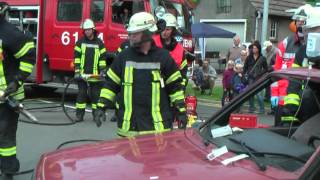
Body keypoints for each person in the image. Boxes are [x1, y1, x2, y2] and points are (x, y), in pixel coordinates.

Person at [93, 12, 187, 136]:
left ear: (148, 33)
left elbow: (175, 88)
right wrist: (101, 106)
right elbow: (110, 85)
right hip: (128, 130)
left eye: (135, 33)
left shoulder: (163, 57)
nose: (130, 36)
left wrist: (181, 111)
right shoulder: (123, 57)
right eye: (130, 33)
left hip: (157, 131)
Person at [0, 2, 35, 179]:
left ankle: (8, 171)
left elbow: (29, 57)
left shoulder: (9, 34)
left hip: (7, 97)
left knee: (5, 137)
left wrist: (17, 81)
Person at [270, 4, 311, 125]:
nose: (300, 23)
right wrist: (275, 95)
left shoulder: (313, 47)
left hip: (305, 102)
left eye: (304, 21)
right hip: (283, 102)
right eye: (298, 20)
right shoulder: (286, 43)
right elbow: (277, 72)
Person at [282, 8, 320, 126]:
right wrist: (289, 113)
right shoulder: (302, 51)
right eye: (306, 30)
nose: (308, 33)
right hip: (307, 110)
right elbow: (294, 82)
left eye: (313, 29)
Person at [74, 19, 107, 122]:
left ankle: (95, 115)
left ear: (93, 30)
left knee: (95, 96)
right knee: (81, 95)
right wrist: (77, 71)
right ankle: (79, 116)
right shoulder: (79, 42)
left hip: (95, 74)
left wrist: (102, 70)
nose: (87, 32)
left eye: (89, 30)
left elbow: (102, 58)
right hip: (82, 74)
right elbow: (77, 58)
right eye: (85, 30)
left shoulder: (99, 43)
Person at [153, 13, 188, 89]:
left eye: (167, 29)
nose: (164, 32)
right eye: (162, 28)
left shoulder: (180, 49)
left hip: (172, 87)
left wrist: (181, 87)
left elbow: (183, 73)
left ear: (173, 30)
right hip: (154, 86)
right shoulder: (152, 43)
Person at [243, 41, 268, 114]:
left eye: (255, 48)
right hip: (250, 78)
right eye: (253, 48)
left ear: (258, 49)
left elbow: (266, 68)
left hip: (258, 78)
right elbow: (245, 67)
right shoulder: (249, 57)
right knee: (250, 94)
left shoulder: (262, 58)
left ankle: (262, 109)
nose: (253, 49)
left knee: (259, 94)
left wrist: (260, 73)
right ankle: (251, 108)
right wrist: (244, 75)